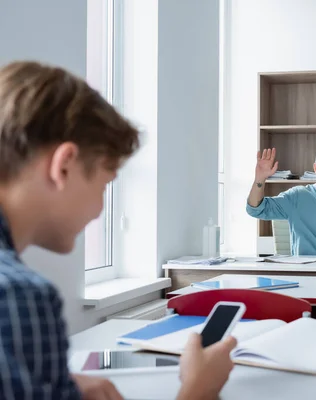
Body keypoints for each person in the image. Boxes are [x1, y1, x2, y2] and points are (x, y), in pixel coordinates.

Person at [0, 61, 236, 400]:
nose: (99, 209)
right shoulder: (17, 296)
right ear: (64, 166)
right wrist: (198, 390)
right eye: (105, 184)